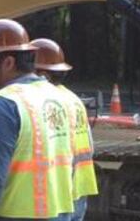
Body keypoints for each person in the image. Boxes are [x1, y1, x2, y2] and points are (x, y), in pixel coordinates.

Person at [0, 19, 74, 221]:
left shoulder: (5, 105)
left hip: (14, 215)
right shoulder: (60, 97)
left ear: (8, 62)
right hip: (59, 213)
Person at [31, 38, 98, 221]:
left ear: (43, 74)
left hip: (56, 192)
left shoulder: (44, 102)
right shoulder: (73, 99)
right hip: (78, 187)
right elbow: (89, 147)